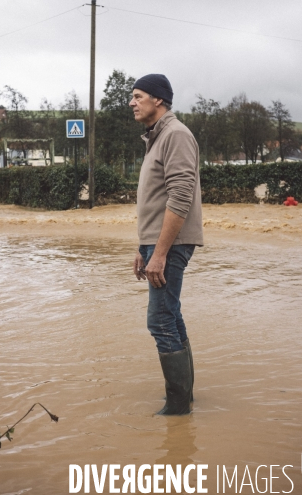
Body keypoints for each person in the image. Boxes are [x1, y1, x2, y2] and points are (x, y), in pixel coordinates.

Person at [129, 74, 203, 415]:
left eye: (138, 96)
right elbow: (155, 201)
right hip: (157, 243)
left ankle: (178, 408)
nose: (132, 102)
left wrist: (158, 253)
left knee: (159, 321)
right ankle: (184, 398)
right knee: (170, 315)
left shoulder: (175, 135)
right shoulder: (157, 138)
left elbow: (181, 195)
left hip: (169, 245)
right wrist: (142, 247)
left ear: (158, 100)